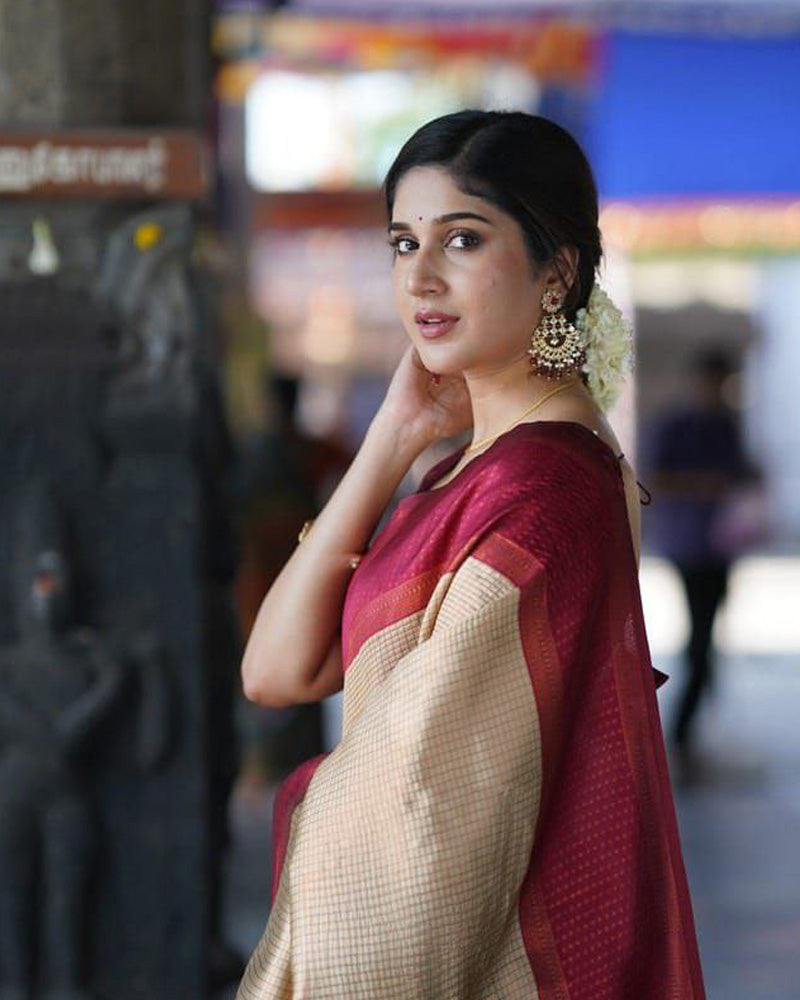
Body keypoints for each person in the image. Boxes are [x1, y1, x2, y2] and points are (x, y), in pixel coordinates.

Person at [235, 110, 706, 999]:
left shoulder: (545, 491)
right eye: (403, 242)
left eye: (462, 239)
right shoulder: (470, 467)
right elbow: (276, 672)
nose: (421, 276)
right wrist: (392, 438)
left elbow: (417, 813)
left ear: (556, 269)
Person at [645, 348, 762, 783]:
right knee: (700, 638)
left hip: (718, 544)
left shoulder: (725, 425)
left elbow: (741, 472)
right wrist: (706, 484)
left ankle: (690, 722)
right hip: (688, 543)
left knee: (709, 632)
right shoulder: (679, 425)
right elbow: (656, 477)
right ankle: (680, 732)